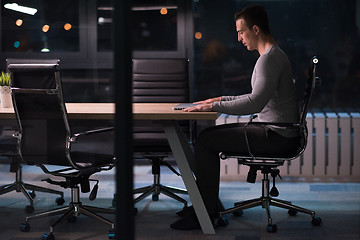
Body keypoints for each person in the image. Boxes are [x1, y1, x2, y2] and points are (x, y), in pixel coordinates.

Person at [170, 5, 301, 230]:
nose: (239, 38)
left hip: (276, 135)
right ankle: (205, 205)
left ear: (256, 29)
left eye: (241, 32)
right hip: (277, 130)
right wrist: (218, 100)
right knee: (208, 136)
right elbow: (256, 96)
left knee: (206, 141)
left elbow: (255, 103)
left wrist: (217, 105)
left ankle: (206, 212)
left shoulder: (268, 59)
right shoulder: (272, 56)